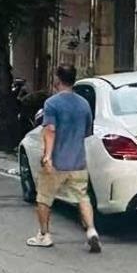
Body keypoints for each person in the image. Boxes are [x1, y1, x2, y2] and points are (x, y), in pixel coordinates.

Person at [28, 65, 100, 254]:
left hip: (57, 162)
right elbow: (87, 132)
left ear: (58, 80)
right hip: (78, 162)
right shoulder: (84, 104)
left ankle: (44, 235)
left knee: (44, 198)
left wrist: (48, 156)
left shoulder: (52, 103)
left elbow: (50, 130)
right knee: (82, 197)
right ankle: (91, 231)